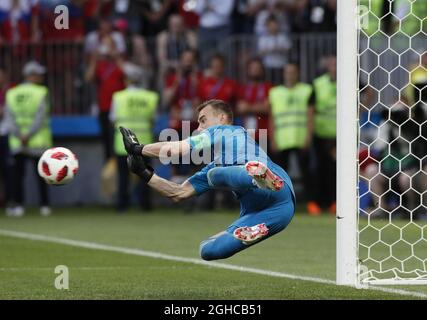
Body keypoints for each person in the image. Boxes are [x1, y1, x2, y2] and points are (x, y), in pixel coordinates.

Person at [120, 99, 295, 260]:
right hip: (278, 211)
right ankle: (252, 229)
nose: (199, 128)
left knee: (215, 175)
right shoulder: (213, 165)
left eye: (203, 120)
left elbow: (174, 150)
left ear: (222, 118)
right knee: (208, 250)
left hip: (275, 184)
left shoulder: (222, 129)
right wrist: (143, 172)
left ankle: (258, 176)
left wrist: (137, 148)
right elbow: (178, 193)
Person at [269, 63, 319, 215]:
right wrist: (273, 139)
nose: (290, 75)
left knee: (307, 173)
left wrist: (308, 136)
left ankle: (312, 203)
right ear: (284, 74)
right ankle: (278, 204)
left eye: (293, 72)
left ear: (298, 73)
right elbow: (271, 117)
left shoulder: (306, 90)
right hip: (282, 139)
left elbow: (311, 115)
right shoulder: (275, 92)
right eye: (287, 72)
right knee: (277, 176)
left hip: (300, 137)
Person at [3, 61, 52, 217]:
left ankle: (19, 205)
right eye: (37, 74)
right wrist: (29, 134)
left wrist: (19, 135)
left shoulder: (11, 93)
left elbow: (8, 118)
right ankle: (44, 205)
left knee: (18, 175)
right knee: (43, 174)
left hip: (17, 141)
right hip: (38, 141)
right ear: (30, 75)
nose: (40, 76)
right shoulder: (41, 92)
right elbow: (41, 117)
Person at [110, 63, 158, 212]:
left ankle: (122, 206)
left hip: (122, 142)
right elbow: (153, 119)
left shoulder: (118, 97)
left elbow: (112, 118)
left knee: (123, 176)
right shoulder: (151, 97)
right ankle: (146, 205)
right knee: (146, 174)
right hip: (144, 143)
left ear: (127, 80)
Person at [310, 55, 337, 215]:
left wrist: (360, 109)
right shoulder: (318, 83)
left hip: (340, 136)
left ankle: (335, 202)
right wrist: (311, 130)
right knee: (320, 168)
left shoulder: (349, 79)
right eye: (332, 63)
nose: (335, 65)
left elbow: (369, 91)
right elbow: (311, 108)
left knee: (337, 170)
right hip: (321, 134)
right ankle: (317, 203)